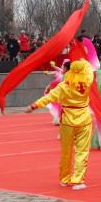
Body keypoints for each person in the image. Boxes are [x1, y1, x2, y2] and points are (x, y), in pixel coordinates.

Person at [27, 59, 95, 190]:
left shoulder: (63, 86)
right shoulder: (88, 81)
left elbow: (48, 98)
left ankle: (64, 179)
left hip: (68, 121)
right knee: (82, 151)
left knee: (66, 151)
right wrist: (82, 59)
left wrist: (34, 106)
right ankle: (78, 180)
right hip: (85, 120)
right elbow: (89, 67)